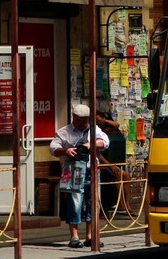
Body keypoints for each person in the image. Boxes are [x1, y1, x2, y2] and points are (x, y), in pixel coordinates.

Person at [51, 104, 111, 247]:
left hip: (92, 171)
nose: (82, 123)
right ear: (73, 117)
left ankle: (90, 236)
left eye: (84, 120)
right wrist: (66, 151)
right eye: (79, 120)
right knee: (75, 204)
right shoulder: (64, 132)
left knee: (93, 204)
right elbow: (53, 148)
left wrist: (92, 144)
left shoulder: (94, 129)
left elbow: (106, 142)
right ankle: (74, 236)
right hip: (74, 172)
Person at [94, 103, 135, 216]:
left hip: (105, 163)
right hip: (98, 163)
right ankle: (121, 205)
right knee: (117, 174)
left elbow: (116, 125)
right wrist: (110, 166)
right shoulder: (92, 132)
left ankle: (127, 204)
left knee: (125, 175)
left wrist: (104, 121)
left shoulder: (103, 131)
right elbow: (98, 154)